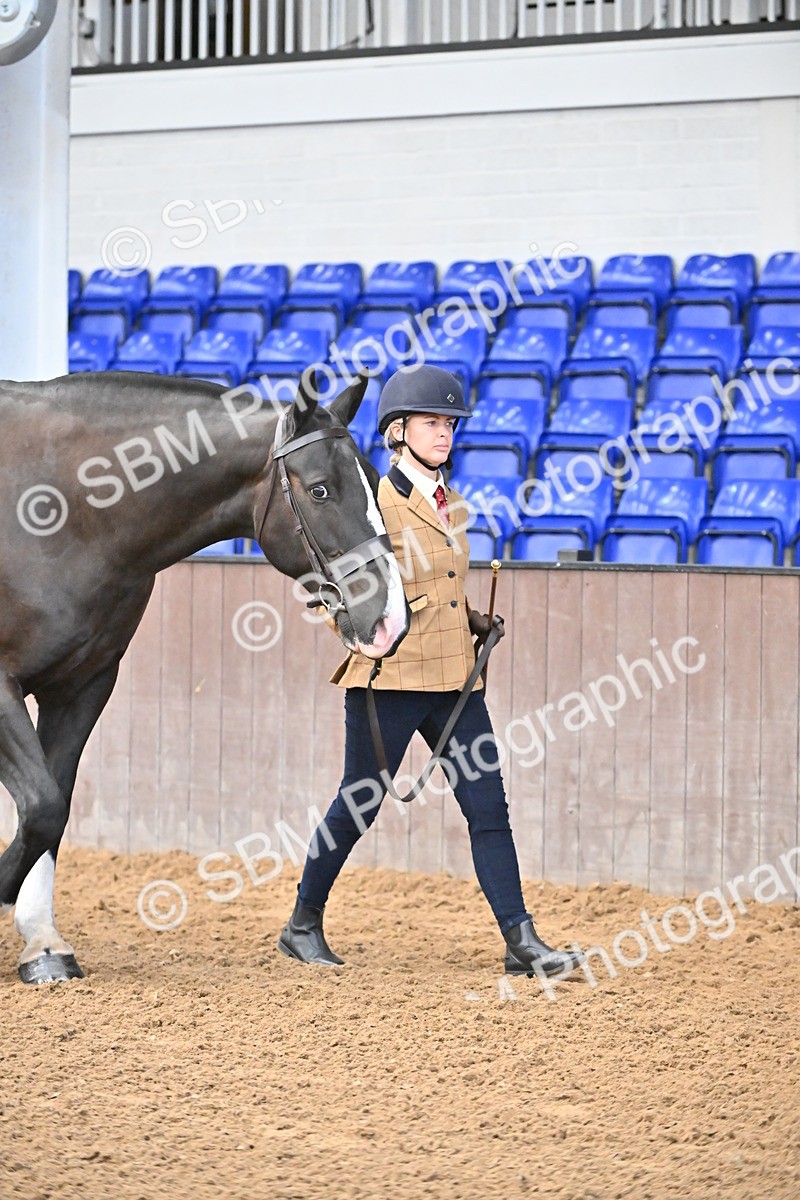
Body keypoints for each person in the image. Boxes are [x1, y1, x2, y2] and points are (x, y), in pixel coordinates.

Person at [277, 365, 583, 979]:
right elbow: (330, 591)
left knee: (488, 807)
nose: (443, 433)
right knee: (358, 804)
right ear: (396, 432)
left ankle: (520, 939)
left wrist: (472, 619)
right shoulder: (373, 502)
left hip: (455, 681)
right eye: (430, 423)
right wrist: (355, 634)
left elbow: (440, 585)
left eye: (449, 423)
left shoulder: (454, 504)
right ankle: (302, 923)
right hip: (390, 679)